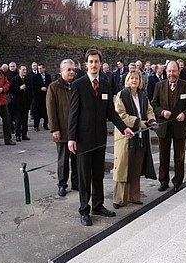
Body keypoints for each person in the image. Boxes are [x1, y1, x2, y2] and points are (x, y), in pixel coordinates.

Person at [68, 48, 134, 227]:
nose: (94, 65)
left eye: (96, 61)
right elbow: (73, 114)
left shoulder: (105, 85)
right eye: (91, 62)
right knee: (84, 176)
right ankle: (84, 209)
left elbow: (111, 113)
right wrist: (71, 138)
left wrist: (124, 128)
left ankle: (97, 205)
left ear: (100, 63)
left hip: (100, 139)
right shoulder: (79, 84)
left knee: (98, 174)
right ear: (86, 64)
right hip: (83, 139)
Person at [112, 70, 157, 209]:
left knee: (137, 165)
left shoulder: (142, 96)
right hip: (126, 136)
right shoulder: (122, 95)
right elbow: (120, 114)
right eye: (131, 78)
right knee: (123, 167)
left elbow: (149, 110)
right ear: (127, 80)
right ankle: (119, 199)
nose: (134, 80)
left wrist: (152, 120)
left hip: (141, 137)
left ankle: (134, 196)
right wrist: (137, 122)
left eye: (136, 78)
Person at [151, 60, 186, 193]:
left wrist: (184, 114)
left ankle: (177, 181)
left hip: (179, 127)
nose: (171, 73)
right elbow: (154, 104)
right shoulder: (159, 86)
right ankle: (163, 181)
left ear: (179, 71)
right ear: (166, 71)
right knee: (163, 156)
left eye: (174, 71)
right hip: (163, 128)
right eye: (169, 71)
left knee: (179, 156)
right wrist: (162, 112)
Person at [46, 59, 79, 197]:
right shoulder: (54, 87)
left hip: (77, 130)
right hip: (62, 130)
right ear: (61, 71)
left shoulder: (78, 85)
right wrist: (54, 129)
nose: (71, 72)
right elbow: (50, 109)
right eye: (68, 70)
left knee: (77, 159)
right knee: (63, 160)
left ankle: (76, 182)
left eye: (73, 70)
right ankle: (62, 184)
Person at [9, 65, 33, 142]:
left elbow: (31, 91)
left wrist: (30, 100)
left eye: (25, 70)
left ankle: (24, 134)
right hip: (17, 104)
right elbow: (11, 90)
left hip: (26, 103)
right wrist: (19, 88)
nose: (24, 71)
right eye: (23, 70)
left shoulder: (28, 80)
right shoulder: (15, 79)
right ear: (19, 70)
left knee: (25, 120)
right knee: (18, 120)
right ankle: (17, 135)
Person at [33, 63, 52, 131]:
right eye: (38, 69)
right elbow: (34, 86)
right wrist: (40, 88)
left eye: (41, 68)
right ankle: (36, 125)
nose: (40, 70)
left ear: (44, 69)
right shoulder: (35, 77)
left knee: (46, 111)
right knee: (37, 112)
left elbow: (50, 84)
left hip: (46, 96)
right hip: (38, 97)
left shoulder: (48, 76)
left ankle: (45, 124)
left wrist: (47, 88)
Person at [5, 62, 18, 134]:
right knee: (10, 114)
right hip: (10, 97)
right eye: (11, 66)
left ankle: (17, 127)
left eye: (13, 66)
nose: (12, 67)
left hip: (17, 97)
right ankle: (11, 128)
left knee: (17, 114)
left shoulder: (17, 74)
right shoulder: (7, 75)